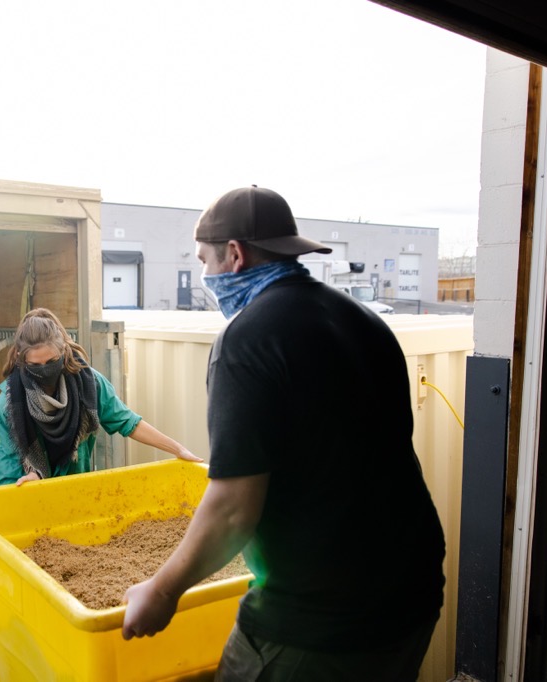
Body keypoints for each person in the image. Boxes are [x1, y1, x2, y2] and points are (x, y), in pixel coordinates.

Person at [121, 187, 446, 682]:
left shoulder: (248, 338)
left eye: (205, 260)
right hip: (413, 589)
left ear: (234, 254)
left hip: (320, 616)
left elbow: (232, 509)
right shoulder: (363, 321)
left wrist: (162, 591)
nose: (205, 275)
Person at [0, 307, 202, 486]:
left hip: (79, 489)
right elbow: (10, 466)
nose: (45, 370)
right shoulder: (9, 405)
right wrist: (26, 482)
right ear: (22, 360)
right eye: (35, 366)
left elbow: (127, 422)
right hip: (35, 497)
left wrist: (178, 448)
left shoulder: (89, 384)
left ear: (64, 351)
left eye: (51, 361)